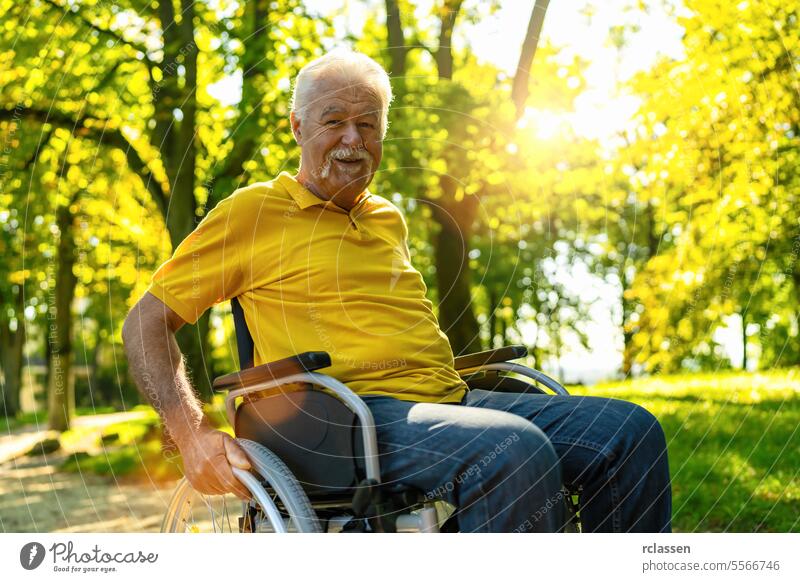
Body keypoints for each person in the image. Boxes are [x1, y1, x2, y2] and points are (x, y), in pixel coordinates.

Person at [122, 49, 671, 532]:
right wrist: (191, 436)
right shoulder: (253, 211)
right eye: (333, 121)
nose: (352, 139)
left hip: (450, 400)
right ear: (296, 127)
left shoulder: (386, 219)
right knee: (514, 452)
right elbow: (144, 321)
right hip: (344, 420)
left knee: (628, 434)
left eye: (368, 123)